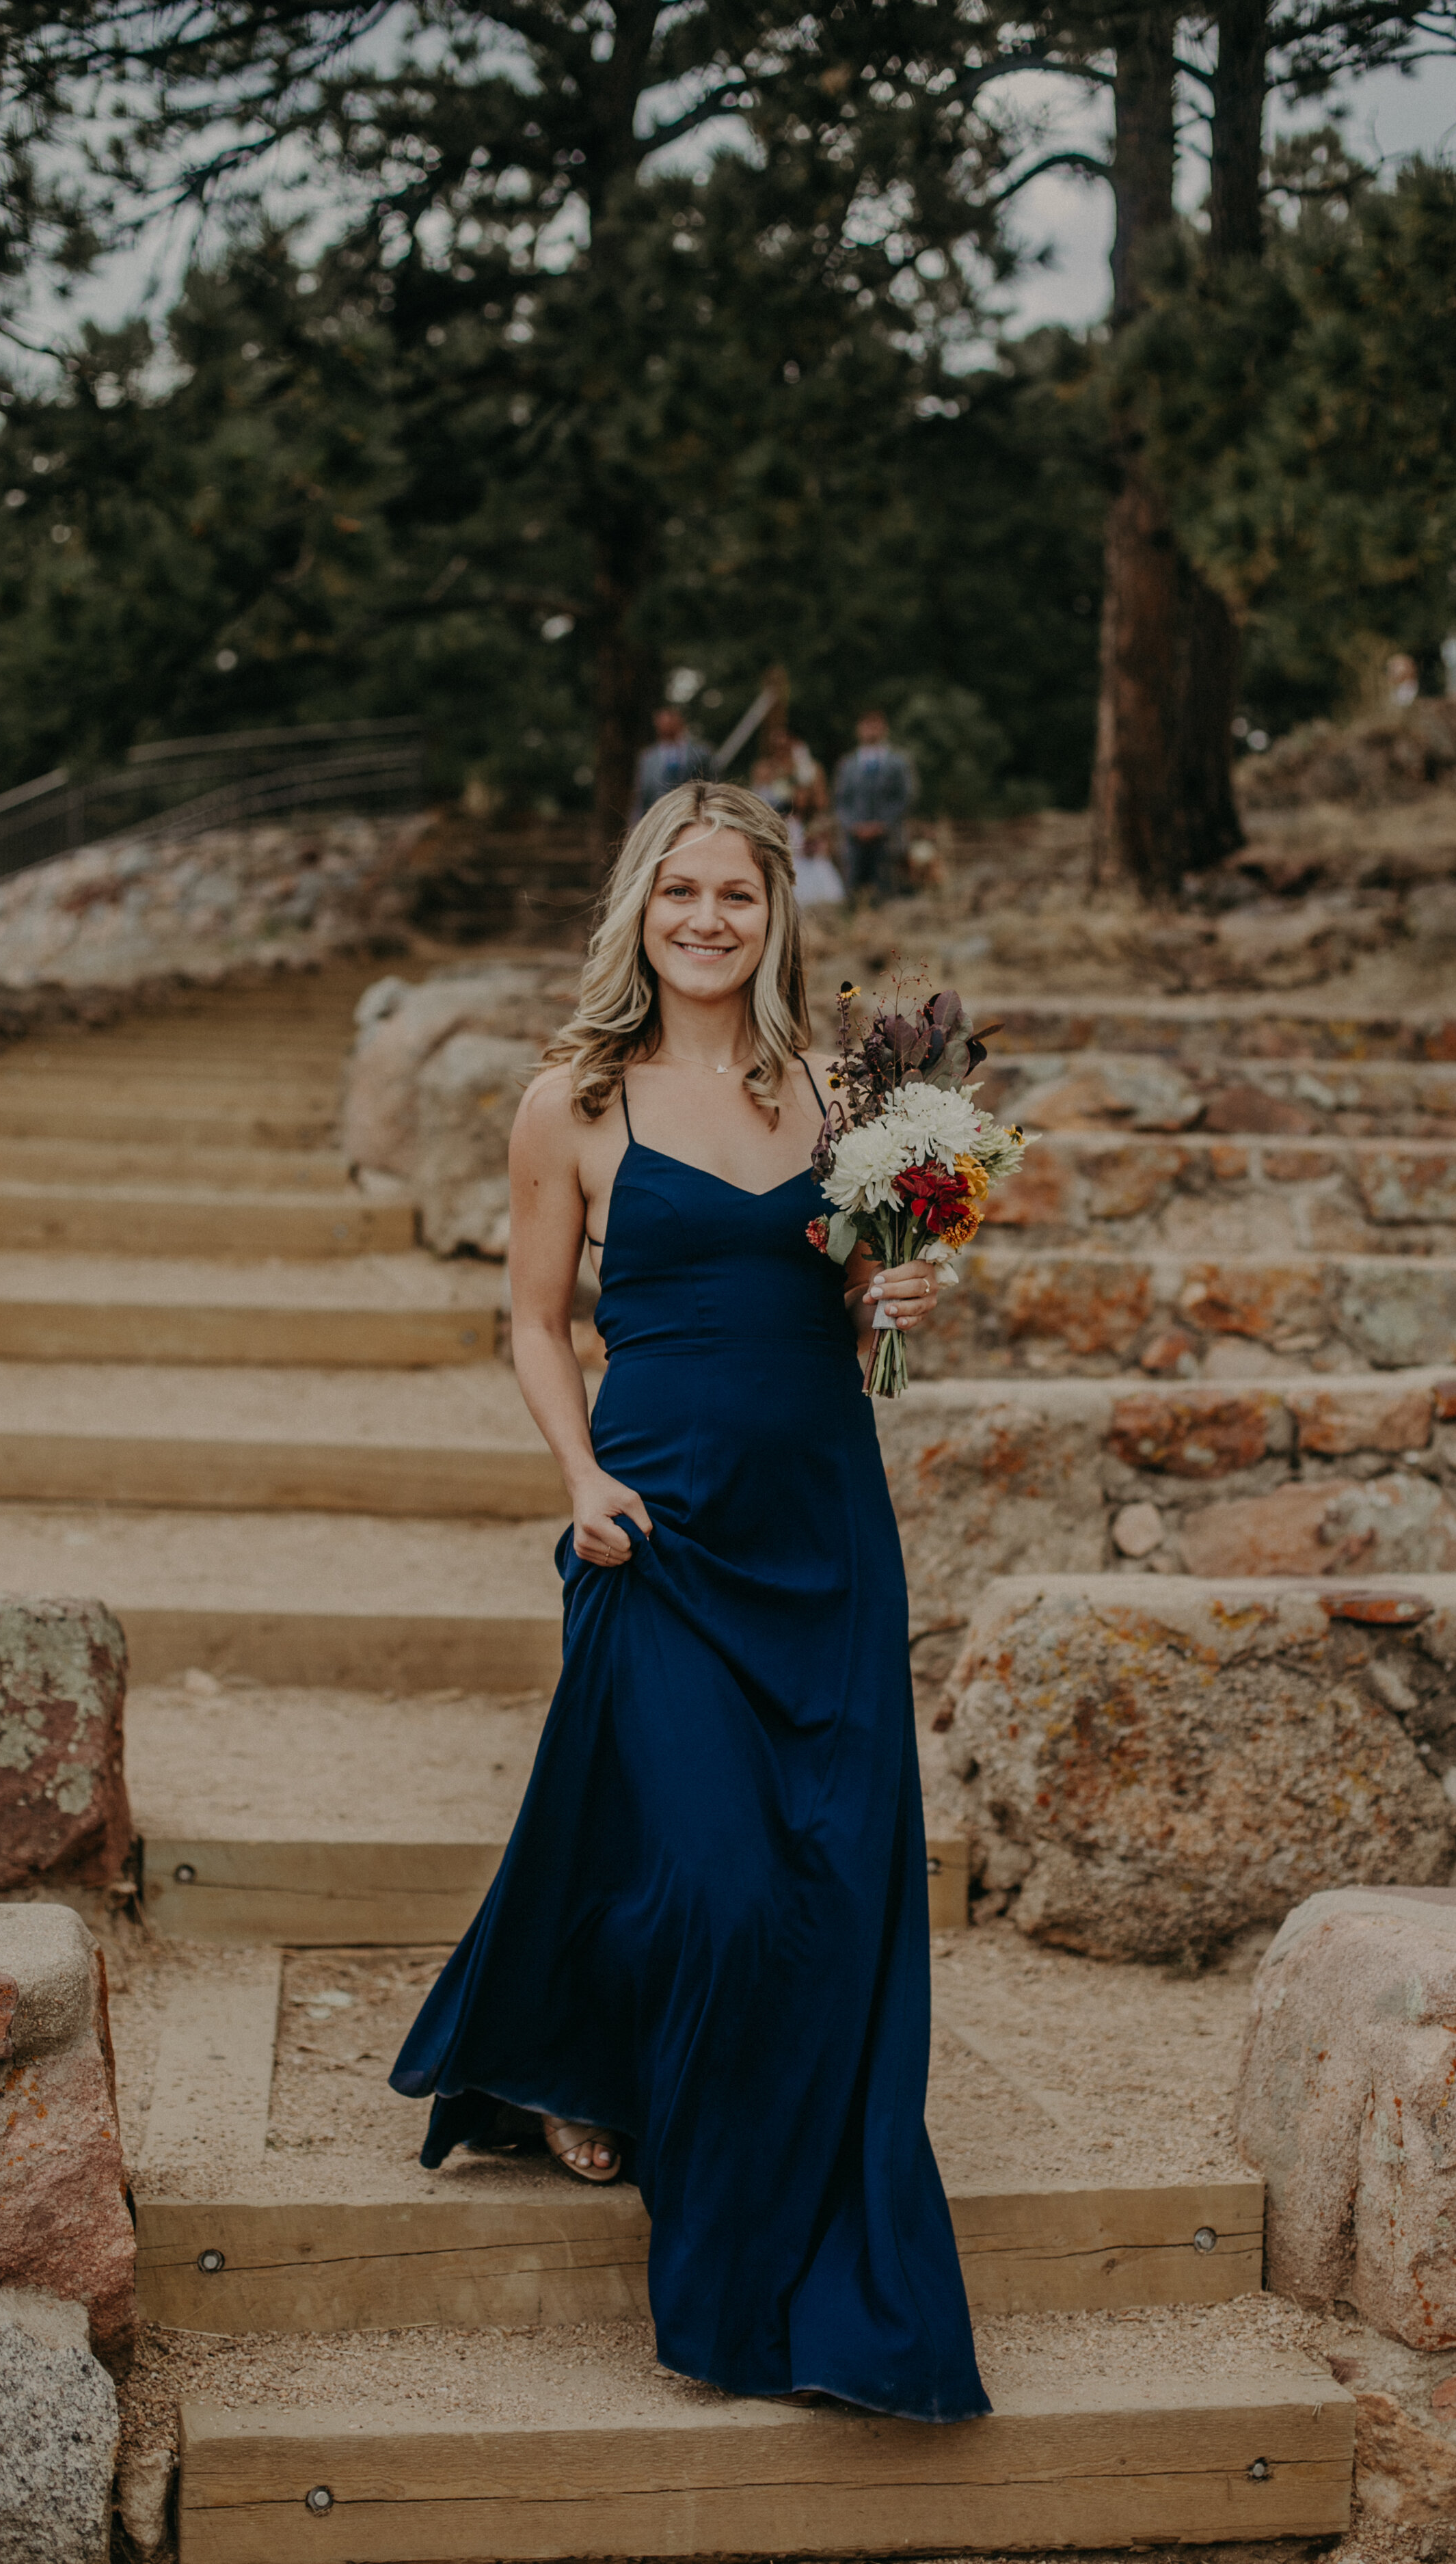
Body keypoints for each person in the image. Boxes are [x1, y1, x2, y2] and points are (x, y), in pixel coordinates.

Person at [391, 779, 988, 2426]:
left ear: (774, 910)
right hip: (649, 1526)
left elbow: (864, 1316)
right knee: (715, 1884)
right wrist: (578, 1479)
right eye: (680, 892)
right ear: (639, 910)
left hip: (822, 1532)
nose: (708, 917)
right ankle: (697, 2211)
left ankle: (647, 2091)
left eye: (736, 891)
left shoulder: (844, 1090)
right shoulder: (570, 1098)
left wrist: (899, 1297)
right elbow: (530, 1321)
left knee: (825, 1880)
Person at [750, 721, 844, 905]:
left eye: (786, 743)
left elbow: (821, 804)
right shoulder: (763, 770)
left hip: (801, 829)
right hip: (773, 829)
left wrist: (818, 831)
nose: (781, 748)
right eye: (776, 744)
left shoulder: (809, 770)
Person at [833, 710, 915, 899]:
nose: (871, 731)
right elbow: (841, 801)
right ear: (858, 730)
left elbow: (905, 796)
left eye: (875, 725)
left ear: (884, 728)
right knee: (853, 894)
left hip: (887, 839)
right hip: (854, 840)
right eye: (866, 726)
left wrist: (882, 825)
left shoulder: (898, 762)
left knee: (887, 892)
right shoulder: (848, 764)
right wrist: (854, 827)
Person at [630, 706, 712, 823]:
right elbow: (641, 797)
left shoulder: (700, 753)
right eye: (662, 724)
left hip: (691, 817)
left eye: (670, 723)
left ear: (679, 723)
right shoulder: (648, 758)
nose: (666, 727)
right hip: (658, 819)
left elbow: (711, 785)